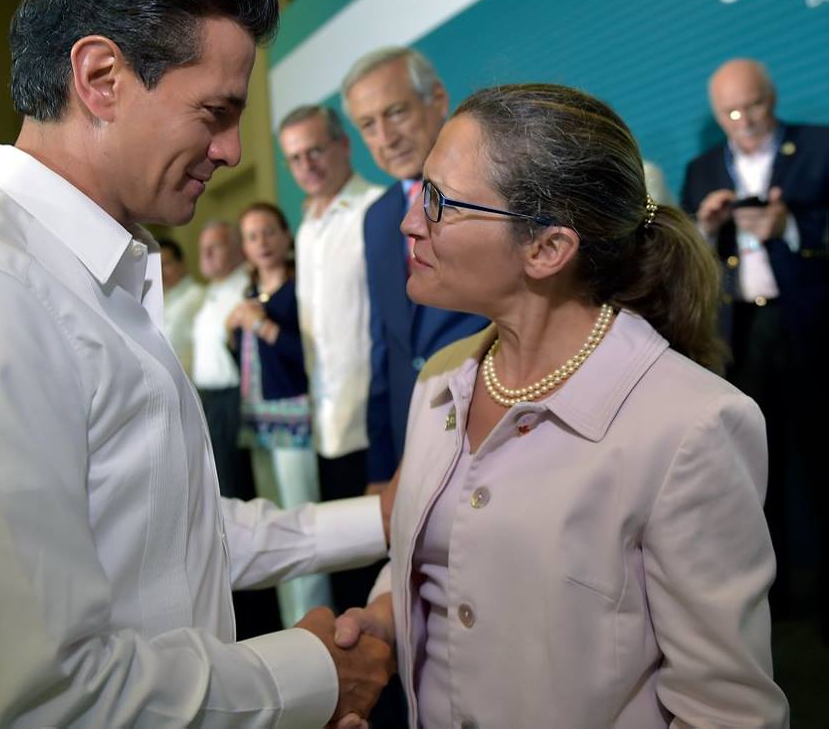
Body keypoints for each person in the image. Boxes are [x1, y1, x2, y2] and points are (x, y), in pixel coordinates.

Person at [0, 0, 394, 727]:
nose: (230, 150)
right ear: (101, 77)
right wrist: (314, 674)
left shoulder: (92, 276)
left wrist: (380, 518)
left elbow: (173, 533)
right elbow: (43, 700)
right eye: (215, 112)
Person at [336, 83, 789, 727]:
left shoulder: (692, 426)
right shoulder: (442, 379)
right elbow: (440, 551)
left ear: (547, 249)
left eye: (438, 201)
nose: (411, 222)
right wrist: (387, 616)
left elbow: (728, 711)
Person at [681, 58, 829, 619]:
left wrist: (788, 227)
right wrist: (705, 229)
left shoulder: (818, 146)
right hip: (740, 334)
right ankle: (775, 601)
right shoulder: (701, 170)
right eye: (731, 113)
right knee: (755, 472)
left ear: (774, 96)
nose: (745, 121)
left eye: (755, 106)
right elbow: (683, 259)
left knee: (820, 460)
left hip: (810, 326)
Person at [341, 47, 488, 486]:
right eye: (368, 125)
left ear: (437, 100)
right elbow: (385, 346)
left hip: (491, 429)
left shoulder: (491, 190)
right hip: (413, 446)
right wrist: (382, 468)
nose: (385, 137)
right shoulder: (377, 217)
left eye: (396, 112)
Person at [278, 104, 383, 613]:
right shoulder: (306, 228)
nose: (307, 165)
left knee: (378, 576)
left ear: (344, 144)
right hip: (322, 422)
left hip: (369, 420)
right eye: (295, 158)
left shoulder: (375, 211)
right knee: (343, 574)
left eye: (316, 150)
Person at [227, 202, 332, 629]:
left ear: (287, 236)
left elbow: (308, 356)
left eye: (269, 231)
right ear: (245, 248)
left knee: (302, 530)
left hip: (294, 424)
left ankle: (316, 626)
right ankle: (292, 628)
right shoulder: (250, 297)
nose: (263, 243)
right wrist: (232, 335)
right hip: (258, 425)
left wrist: (262, 326)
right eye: (252, 236)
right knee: (270, 533)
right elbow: (250, 366)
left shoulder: (300, 289)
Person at [191, 220, 253, 500]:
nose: (205, 254)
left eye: (215, 247)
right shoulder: (212, 292)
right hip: (210, 400)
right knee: (220, 483)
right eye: (202, 248)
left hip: (236, 399)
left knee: (236, 485)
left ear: (238, 249)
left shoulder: (247, 286)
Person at [159, 235, 204, 376]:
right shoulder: (158, 300)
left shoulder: (197, 295)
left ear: (182, 263)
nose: (160, 272)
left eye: (166, 264)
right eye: (156, 266)